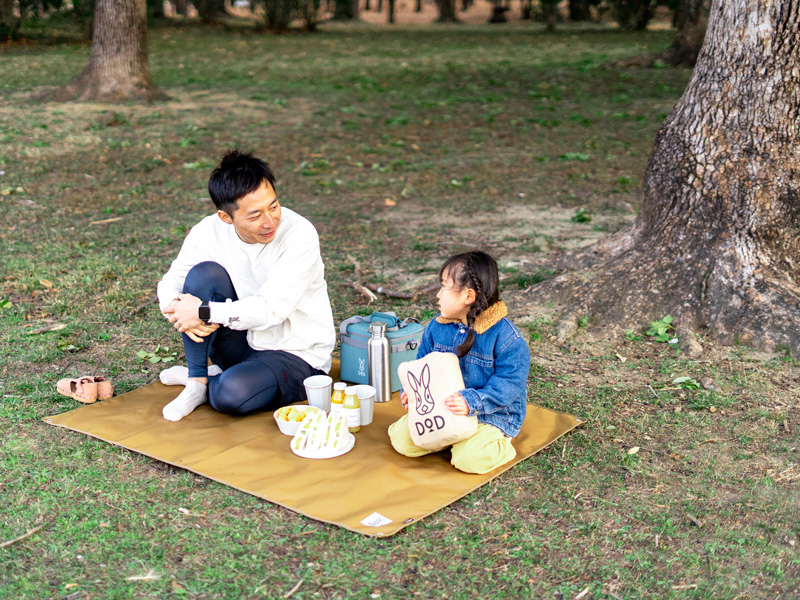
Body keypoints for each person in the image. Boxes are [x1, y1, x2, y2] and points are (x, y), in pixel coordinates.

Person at [155, 150, 336, 422]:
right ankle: (196, 382)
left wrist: (202, 312)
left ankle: (214, 382)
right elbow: (172, 281)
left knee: (231, 394)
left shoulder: (299, 234)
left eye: (274, 206)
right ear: (226, 218)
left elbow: (272, 310)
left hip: (295, 353)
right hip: (242, 342)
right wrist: (176, 308)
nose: (269, 221)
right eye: (255, 216)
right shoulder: (210, 231)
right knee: (204, 275)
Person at [388, 251, 530, 474]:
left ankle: (499, 444)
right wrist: (413, 395)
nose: (438, 295)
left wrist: (470, 402)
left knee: (469, 460)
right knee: (401, 440)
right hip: (442, 411)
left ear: (468, 296)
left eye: (444, 287)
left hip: (489, 416)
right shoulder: (436, 328)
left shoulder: (507, 339)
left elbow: (509, 386)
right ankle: (452, 437)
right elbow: (421, 369)